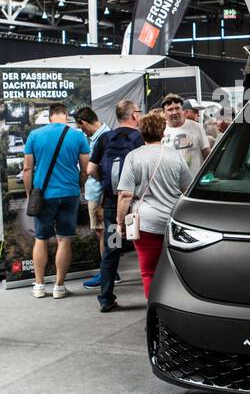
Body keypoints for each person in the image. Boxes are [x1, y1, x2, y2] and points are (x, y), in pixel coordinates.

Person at [115, 110, 194, 298]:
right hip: (172, 222)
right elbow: (188, 190)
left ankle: (154, 320)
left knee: (149, 272)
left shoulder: (133, 157)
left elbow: (125, 195)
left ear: (141, 133)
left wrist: (120, 223)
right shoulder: (175, 156)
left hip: (145, 224)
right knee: (173, 273)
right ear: (163, 132)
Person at [21, 102, 90, 299]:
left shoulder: (35, 135)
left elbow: (27, 169)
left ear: (50, 116)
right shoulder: (77, 136)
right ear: (65, 116)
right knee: (64, 239)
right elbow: (85, 168)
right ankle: (59, 287)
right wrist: (78, 185)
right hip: (69, 193)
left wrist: (29, 193)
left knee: (41, 238)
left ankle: (39, 286)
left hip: (43, 195)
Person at [88, 100, 144, 312]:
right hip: (136, 206)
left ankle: (105, 297)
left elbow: (91, 168)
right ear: (133, 115)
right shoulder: (139, 138)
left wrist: (105, 181)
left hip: (112, 205)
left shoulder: (104, 138)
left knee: (111, 249)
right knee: (144, 248)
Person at [73, 106, 111, 288]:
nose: (82, 131)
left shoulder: (101, 139)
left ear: (85, 123)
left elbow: (95, 169)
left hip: (99, 193)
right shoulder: (107, 133)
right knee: (110, 231)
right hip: (105, 192)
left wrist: (92, 174)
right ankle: (112, 269)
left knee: (102, 232)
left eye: (81, 128)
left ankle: (107, 272)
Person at [160, 93, 210, 172]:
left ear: (182, 109)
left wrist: (209, 172)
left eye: (177, 108)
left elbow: (206, 153)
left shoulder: (197, 127)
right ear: (164, 112)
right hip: (172, 181)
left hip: (194, 181)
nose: (174, 112)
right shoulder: (160, 130)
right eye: (170, 109)